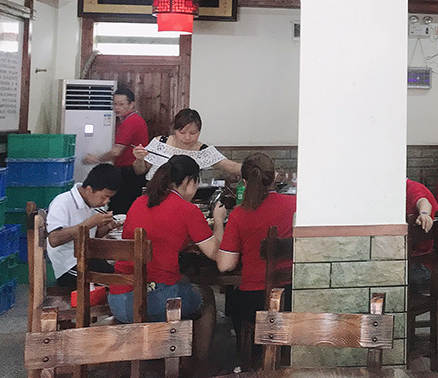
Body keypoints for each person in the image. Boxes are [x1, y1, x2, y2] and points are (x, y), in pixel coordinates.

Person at [109, 155, 227, 373]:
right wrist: (218, 220)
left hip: (118, 300)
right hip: (153, 302)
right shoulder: (188, 210)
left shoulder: (139, 202)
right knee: (207, 297)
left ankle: (171, 355)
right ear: (189, 181)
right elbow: (216, 253)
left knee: (183, 280)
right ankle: (200, 366)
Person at [216, 153, 297, 361]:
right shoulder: (295, 204)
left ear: (244, 182)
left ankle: (251, 360)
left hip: (254, 299)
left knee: (232, 302)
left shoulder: (239, 214)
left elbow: (225, 265)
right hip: (292, 295)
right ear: (275, 176)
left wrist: (218, 222)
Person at [45, 164, 120, 288]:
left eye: (109, 198)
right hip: (68, 265)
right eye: (104, 197)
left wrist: (109, 226)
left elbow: (93, 235)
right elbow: (54, 239)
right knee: (118, 283)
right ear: (89, 190)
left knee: (121, 274)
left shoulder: (92, 204)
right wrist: (90, 223)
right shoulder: (62, 202)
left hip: (88, 257)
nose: (106, 201)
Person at [84, 85, 149, 215]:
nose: (117, 108)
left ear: (132, 104)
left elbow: (116, 151)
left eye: (121, 104)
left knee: (120, 208)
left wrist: (96, 159)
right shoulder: (122, 121)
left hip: (130, 172)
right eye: (115, 104)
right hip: (128, 172)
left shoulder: (131, 121)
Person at [132, 108, 241, 181]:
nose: (187, 137)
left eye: (193, 133)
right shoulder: (160, 142)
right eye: (182, 132)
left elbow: (231, 166)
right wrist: (139, 159)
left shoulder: (203, 150)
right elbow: (139, 171)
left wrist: (250, 168)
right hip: (156, 194)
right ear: (175, 130)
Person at [406, 178, 438, 284]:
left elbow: (423, 201)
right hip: (419, 257)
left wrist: (424, 214)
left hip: (429, 265)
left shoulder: (413, 188)